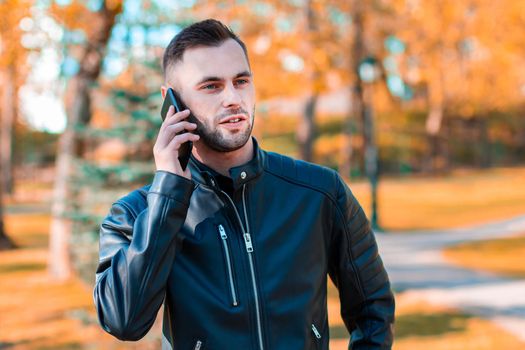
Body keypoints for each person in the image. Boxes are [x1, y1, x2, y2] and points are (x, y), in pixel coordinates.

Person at [93, 19, 395, 350]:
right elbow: (123, 321)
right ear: (172, 103)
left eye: (241, 81)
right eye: (211, 86)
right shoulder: (137, 213)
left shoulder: (320, 192)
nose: (233, 98)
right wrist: (167, 198)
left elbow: (373, 309)